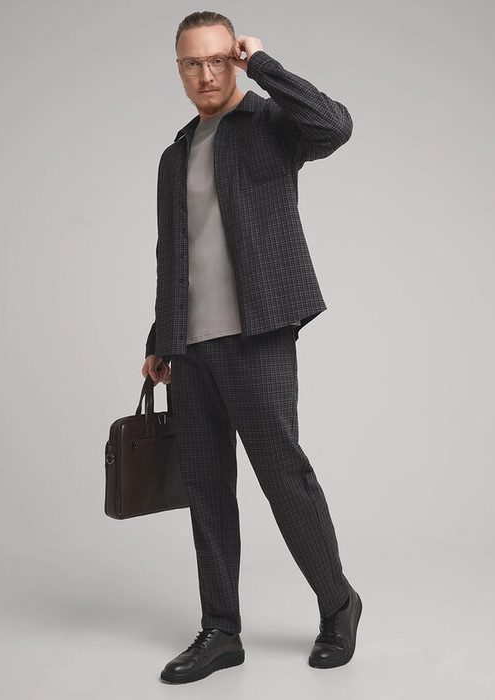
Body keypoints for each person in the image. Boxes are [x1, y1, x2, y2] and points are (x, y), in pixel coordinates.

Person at [141, 10, 362, 685]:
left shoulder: (270, 124)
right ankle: (220, 631)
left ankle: (337, 604)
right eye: (192, 63)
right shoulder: (174, 155)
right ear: (178, 69)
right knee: (207, 489)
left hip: (257, 334)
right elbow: (173, 255)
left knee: (283, 477)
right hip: (190, 349)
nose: (206, 74)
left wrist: (263, 64)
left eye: (218, 59)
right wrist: (159, 339)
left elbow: (334, 126)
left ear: (232, 59)